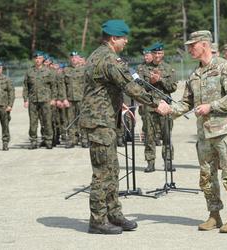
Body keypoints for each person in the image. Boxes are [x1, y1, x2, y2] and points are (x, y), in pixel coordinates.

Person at [79, 19, 164, 235]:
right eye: (123, 38)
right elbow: (131, 87)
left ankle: (113, 213)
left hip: (105, 120)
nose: (126, 41)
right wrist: (157, 103)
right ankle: (97, 220)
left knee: (112, 169)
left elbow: (109, 88)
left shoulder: (97, 55)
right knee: (102, 172)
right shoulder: (108, 59)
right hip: (100, 122)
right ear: (113, 38)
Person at [158, 30, 227, 233]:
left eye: (192, 45)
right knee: (206, 177)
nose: (189, 49)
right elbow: (187, 102)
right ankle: (214, 215)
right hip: (205, 135)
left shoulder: (226, 67)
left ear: (204, 45)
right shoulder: (195, 75)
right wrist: (169, 109)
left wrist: (211, 106)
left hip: (225, 132)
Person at [139, 42, 177, 173]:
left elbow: (173, 87)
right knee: (149, 135)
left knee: (167, 135)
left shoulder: (168, 68)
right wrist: (151, 82)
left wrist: (160, 80)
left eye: (159, 53)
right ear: (151, 54)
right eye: (154, 53)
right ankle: (150, 162)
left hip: (165, 105)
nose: (157, 55)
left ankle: (168, 161)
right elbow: (138, 88)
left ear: (163, 54)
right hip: (149, 106)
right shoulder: (142, 69)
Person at [22, 51, 56, 149]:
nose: (38, 60)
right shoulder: (29, 71)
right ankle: (33, 141)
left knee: (47, 121)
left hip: (46, 100)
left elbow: (53, 86)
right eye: (36, 58)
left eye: (40, 58)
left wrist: (53, 98)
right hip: (33, 100)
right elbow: (25, 86)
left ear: (43, 59)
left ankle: (48, 140)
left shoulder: (48, 71)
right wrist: (25, 99)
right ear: (34, 59)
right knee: (33, 122)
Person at [62, 51, 88, 148]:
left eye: (76, 57)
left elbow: (88, 85)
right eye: (72, 57)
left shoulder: (85, 70)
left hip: (82, 99)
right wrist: (64, 98)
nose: (74, 59)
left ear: (79, 58)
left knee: (83, 119)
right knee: (70, 120)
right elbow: (62, 86)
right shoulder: (66, 70)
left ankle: (84, 139)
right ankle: (72, 139)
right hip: (70, 99)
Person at [0, 60, 15, 150]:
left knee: (5, 125)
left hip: (4, 106)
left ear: (2, 69)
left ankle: (5, 142)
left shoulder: (7, 79)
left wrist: (10, 105)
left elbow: (11, 93)